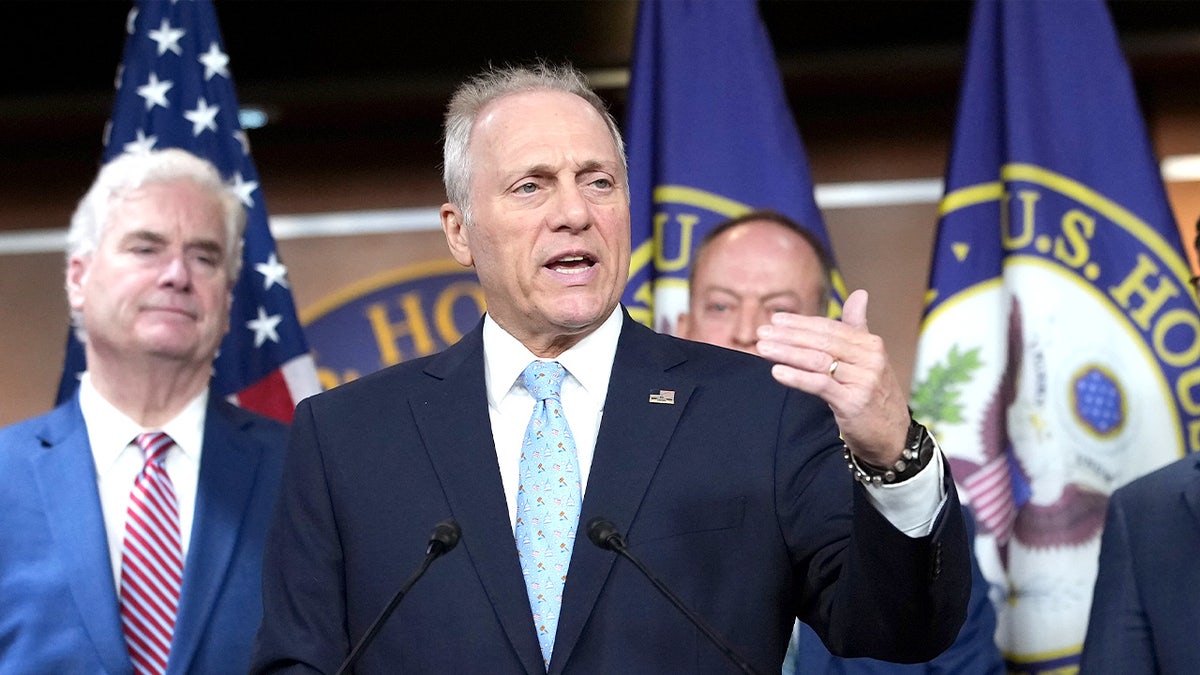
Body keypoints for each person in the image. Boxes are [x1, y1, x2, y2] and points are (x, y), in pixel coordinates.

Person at [251, 61, 970, 674]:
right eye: (531, 185)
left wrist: (891, 456)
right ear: (459, 231)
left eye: (598, 181)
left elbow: (896, 630)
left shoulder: (759, 409)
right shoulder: (346, 438)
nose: (574, 212)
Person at [0, 148, 289, 674]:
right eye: (146, 249)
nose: (177, 274)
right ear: (77, 278)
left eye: (204, 257)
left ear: (227, 303)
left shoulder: (304, 471)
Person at [678, 211, 1005, 675]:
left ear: (829, 338)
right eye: (720, 306)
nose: (747, 330)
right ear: (681, 328)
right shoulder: (625, 511)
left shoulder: (911, 525)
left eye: (779, 310)